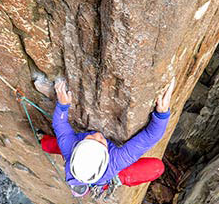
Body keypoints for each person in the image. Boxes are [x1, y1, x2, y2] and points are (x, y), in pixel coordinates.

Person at [42, 77, 175, 197]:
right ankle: (112, 181)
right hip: (101, 172)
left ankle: (87, 184)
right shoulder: (115, 160)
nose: (98, 135)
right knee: (157, 168)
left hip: (80, 160)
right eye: (100, 142)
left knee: (50, 143)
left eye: (92, 139)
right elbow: (150, 137)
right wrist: (162, 114)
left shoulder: (70, 146)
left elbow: (60, 123)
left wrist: (63, 105)